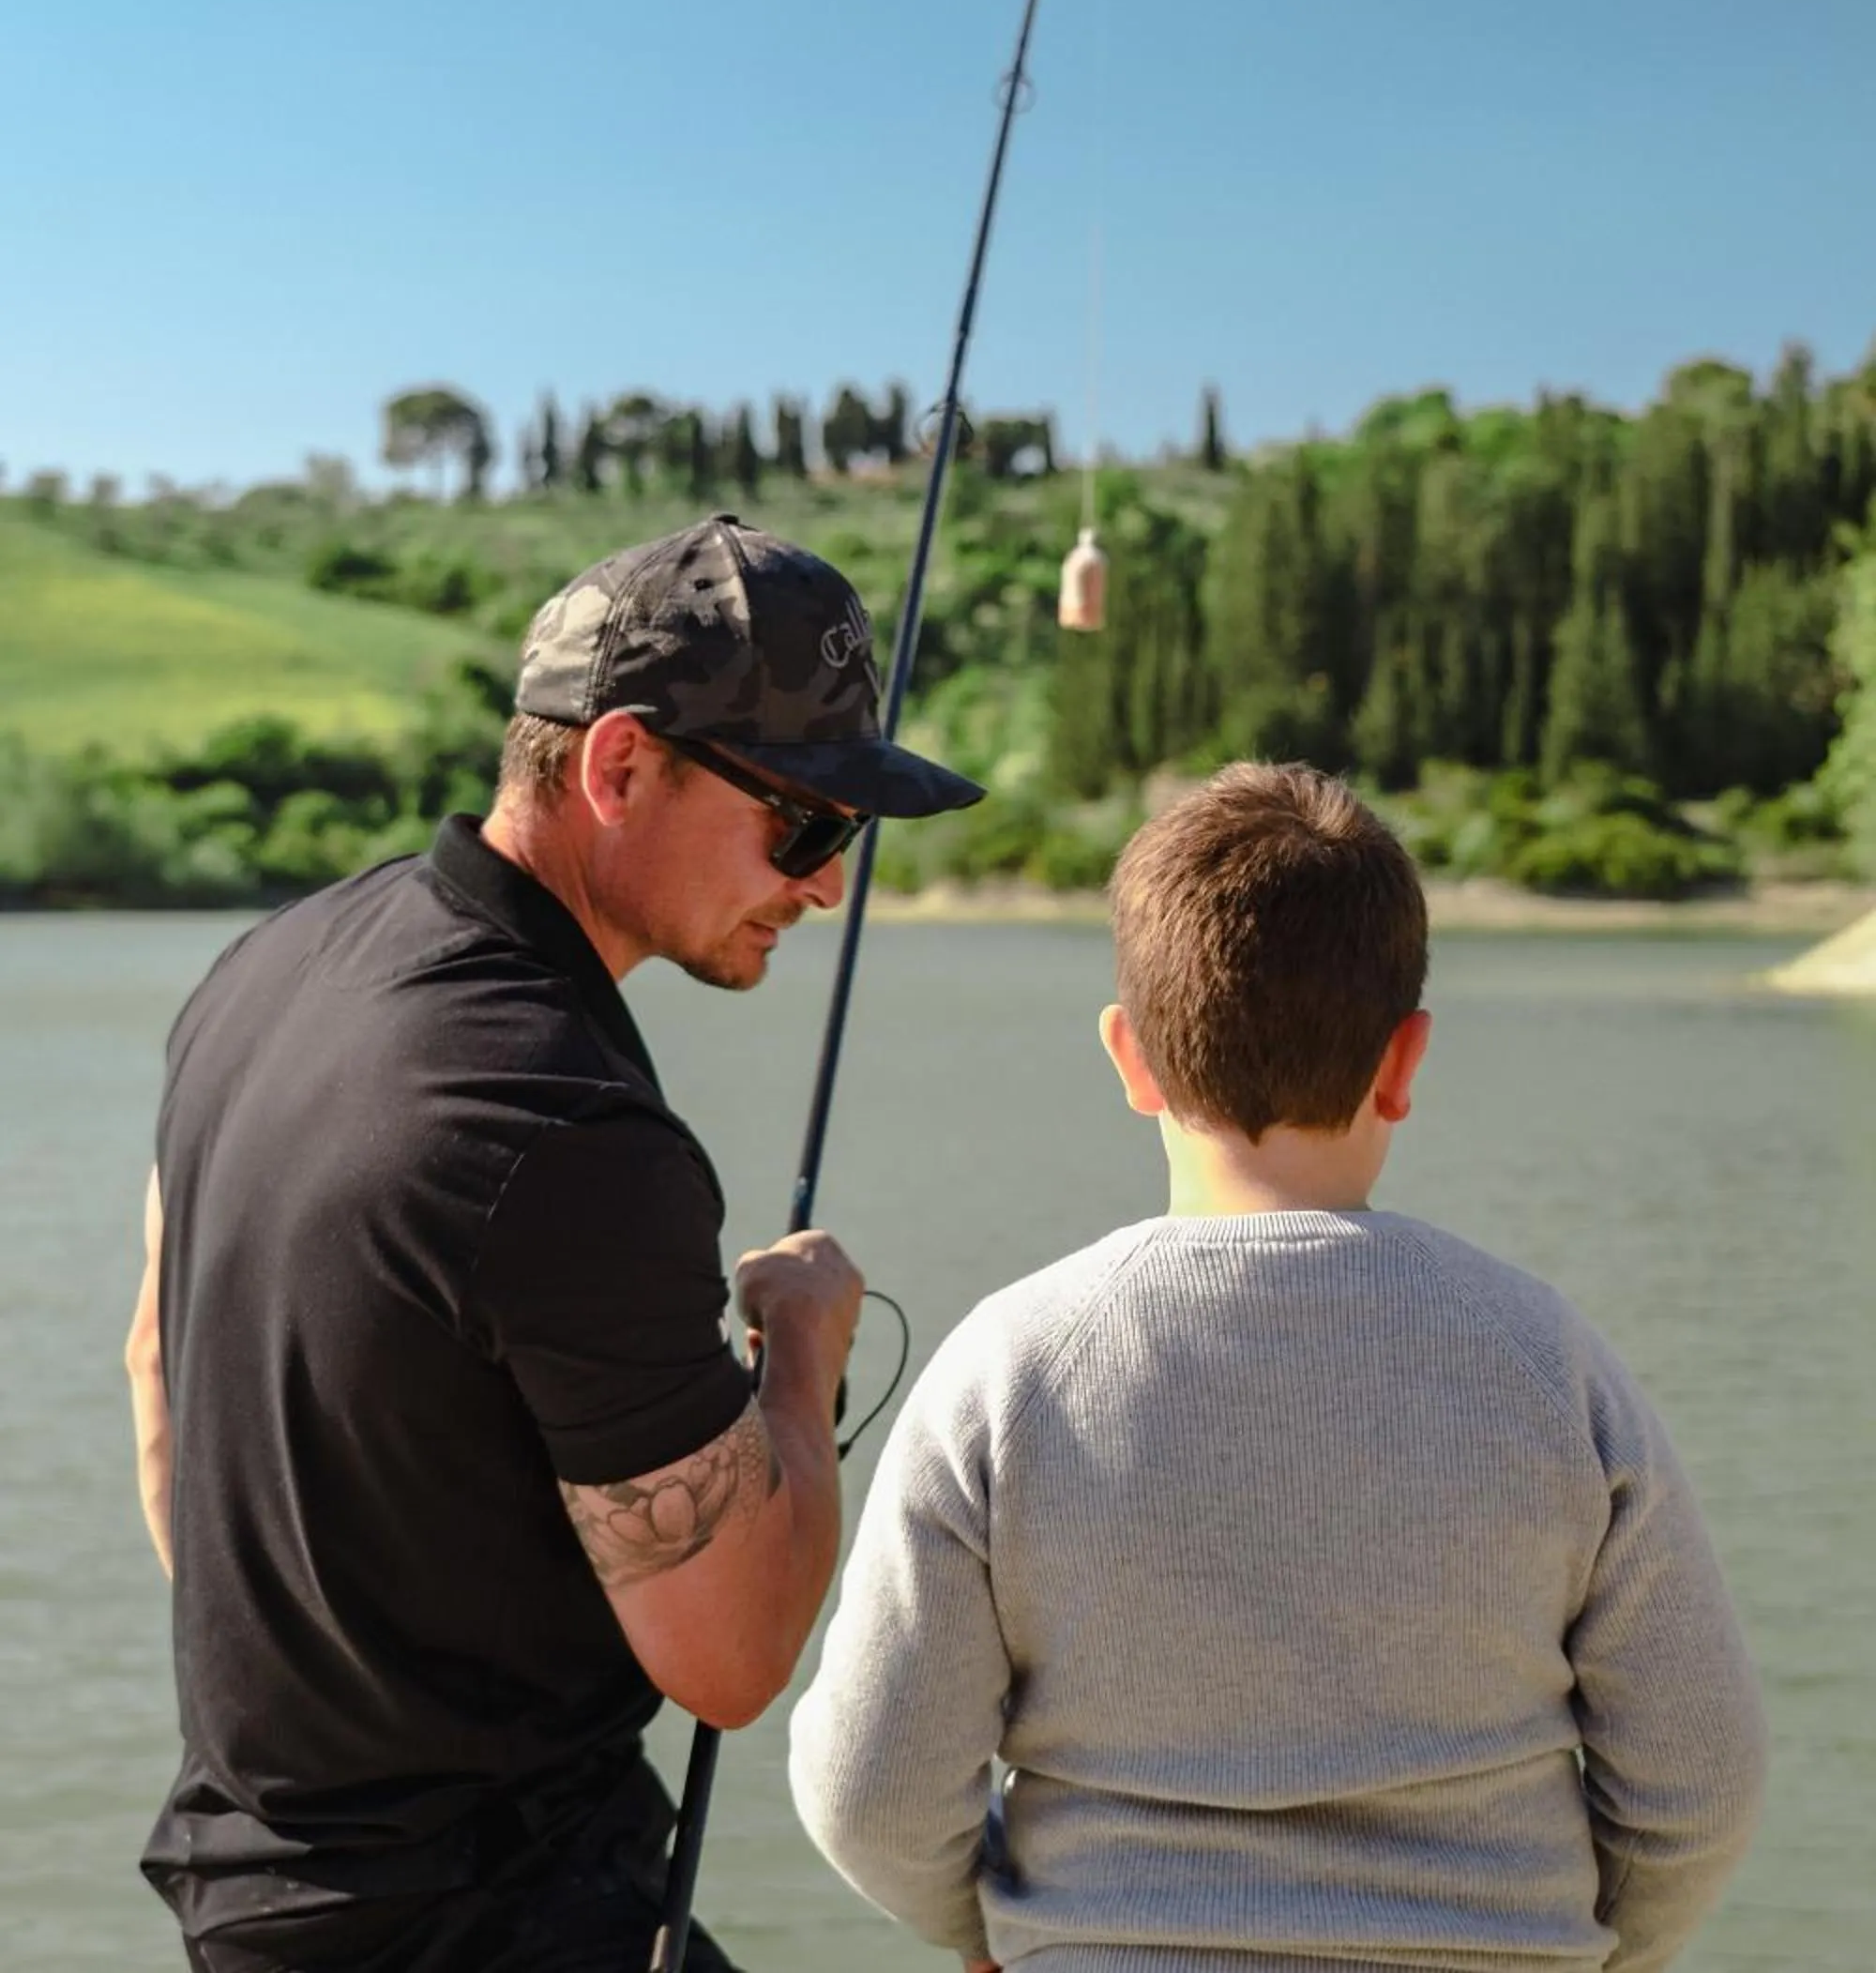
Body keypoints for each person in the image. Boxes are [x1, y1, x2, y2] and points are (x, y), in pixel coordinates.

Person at [125, 512, 982, 1973]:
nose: (828, 885)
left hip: (252, 1904)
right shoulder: (566, 1135)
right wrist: (802, 1356)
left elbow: (159, 1369)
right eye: (807, 825)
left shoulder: (266, 968)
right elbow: (731, 1661)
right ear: (620, 766)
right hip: (497, 1926)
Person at [789, 762, 1767, 1973]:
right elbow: (1701, 1783)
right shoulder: (1549, 1365)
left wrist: (997, 1934)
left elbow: (872, 1791)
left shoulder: (1010, 1369)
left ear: (1129, 1057)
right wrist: (1597, 1952)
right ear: (1403, 1063)